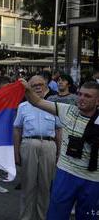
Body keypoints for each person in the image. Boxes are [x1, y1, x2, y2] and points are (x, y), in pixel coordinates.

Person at [20, 79, 99, 220]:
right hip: (66, 173)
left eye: (87, 96)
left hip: (93, 179)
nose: (81, 98)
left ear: (98, 101)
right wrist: (27, 89)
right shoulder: (67, 110)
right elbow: (37, 102)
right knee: (56, 216)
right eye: (80, 94)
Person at [14, 75, 61, 220]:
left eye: (41, 84)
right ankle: (25, 217)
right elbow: (17, 130)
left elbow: (59, 130)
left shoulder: (53, 106)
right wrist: (16, 153)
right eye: (34, 85)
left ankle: (42, 217)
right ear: (28, 88)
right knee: (28, 186)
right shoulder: (22, 107)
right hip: (29, 144)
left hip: (49, 145)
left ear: (46, 86)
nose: (38, 87)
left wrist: (60, 152)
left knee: (45, 186)